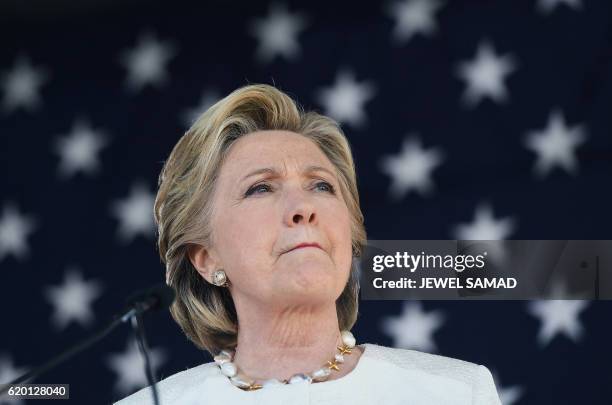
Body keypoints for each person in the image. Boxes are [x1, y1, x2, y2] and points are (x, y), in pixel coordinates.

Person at [115, 84, 502, 404]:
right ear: (205, 257)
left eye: (321, 186)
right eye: (261, 187)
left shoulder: (456, 392)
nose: (303, 208)